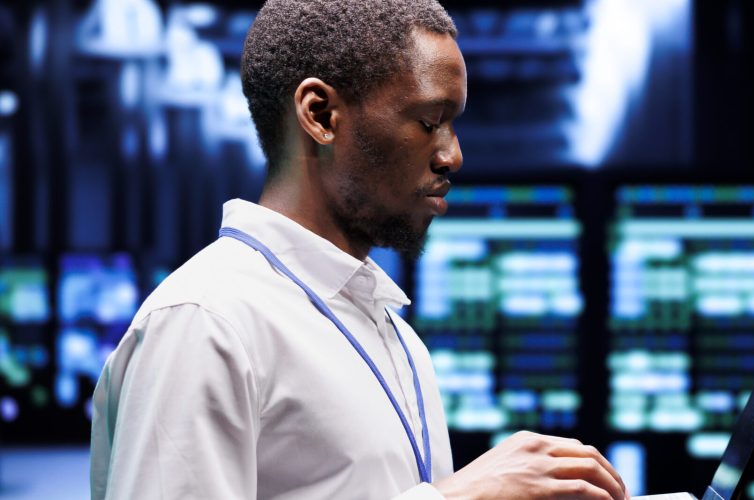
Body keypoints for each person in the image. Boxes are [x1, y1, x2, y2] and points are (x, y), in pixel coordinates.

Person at [89, 1, 628, 499]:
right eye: (429, 122)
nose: (453, 157)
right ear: (321, 114)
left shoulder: (392, 333)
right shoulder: (206, 323)